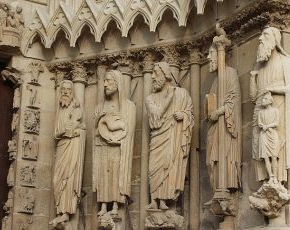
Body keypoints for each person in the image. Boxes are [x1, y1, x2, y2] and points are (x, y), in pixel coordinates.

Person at [145, 61, 194, 210]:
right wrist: (168, 98)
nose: (152, 77)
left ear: (166, 75)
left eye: (156, 73)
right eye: (152, 73)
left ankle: (164, 199)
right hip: (158, 137)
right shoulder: (150, 99)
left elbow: (190, 113)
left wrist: (184, 116)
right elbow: (156, 115)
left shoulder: (181, 94)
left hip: (173, 136)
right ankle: (154, 199)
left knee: (169, 164)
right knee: (154, 166)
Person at [250, 27, 290, 183]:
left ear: (275, 40)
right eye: (261, 34)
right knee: (258, 147)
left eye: (265, 35)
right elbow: (253, 97)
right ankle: (264, 179)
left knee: (276, 147)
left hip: (277, 108)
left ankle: (277, 179)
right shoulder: (260, 67)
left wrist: (272, 89)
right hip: (260, 111)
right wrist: (252, 78)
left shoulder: (285, 61)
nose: (260, 38)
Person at [93, 70, 136, 215]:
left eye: (109, 81)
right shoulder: (99, 107)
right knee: (103, 174)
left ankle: (116, 205)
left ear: (118, 84)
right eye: (104, 80)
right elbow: (95, 131)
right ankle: (104, 205)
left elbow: (128, 131)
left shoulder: (129, 107)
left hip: (118, 148)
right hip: (102, 147)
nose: (105, 84)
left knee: (116, 173)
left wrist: (117, 139)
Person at [206, 44, 242, 193]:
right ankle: (217, 190)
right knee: (210, 162)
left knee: (222, 159)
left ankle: (225, 190)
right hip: (214, 127)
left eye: (211, 53)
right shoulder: (215, 81)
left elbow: (234, 99)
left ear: (220, 55)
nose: (208, 57)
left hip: (225, 127)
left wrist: (219, 111)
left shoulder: (230, 73)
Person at [50, 80, 86, 227]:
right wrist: (66, 131)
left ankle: (66, 213)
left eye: (68, 90)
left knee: (69, 178)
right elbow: (56, 133)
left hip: (72, 148)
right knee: (57, 180)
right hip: (62, 147)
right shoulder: (60, 111)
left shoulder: (77, 110)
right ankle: (59, 211)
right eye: (62, 90)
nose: (65, 92)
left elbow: (81, 129)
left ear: (72, 93)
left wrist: (76, 131)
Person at [258, 91, 280, 182]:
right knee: (266, 157)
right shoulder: (260, 112)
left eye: (265, 99)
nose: (263, 100)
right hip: (264, 135)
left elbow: (276, 123)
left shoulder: (275, 111)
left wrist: (268, 126)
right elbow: (259, 123)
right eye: (263, 98)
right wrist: (263, 126)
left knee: (274, 156)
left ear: (270, 101)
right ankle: (270, 176)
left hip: (272, 134)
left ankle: (275, 177)